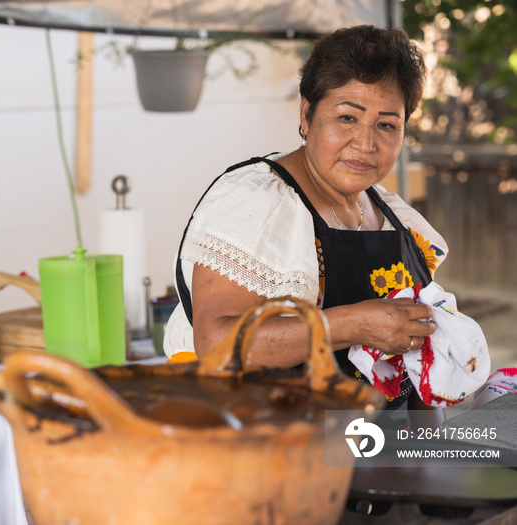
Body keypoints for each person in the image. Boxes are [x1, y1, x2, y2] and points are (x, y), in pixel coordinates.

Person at [163, 25, 450, 417]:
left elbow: (418, 361)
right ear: (306, 113)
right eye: (347, 117)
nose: (366, 144)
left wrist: (434, 454)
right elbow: (216, 344)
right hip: (264, 444)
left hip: (372, 449)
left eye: (387, 125)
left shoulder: (393, 215)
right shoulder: (257, 200)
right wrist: (352, 324)